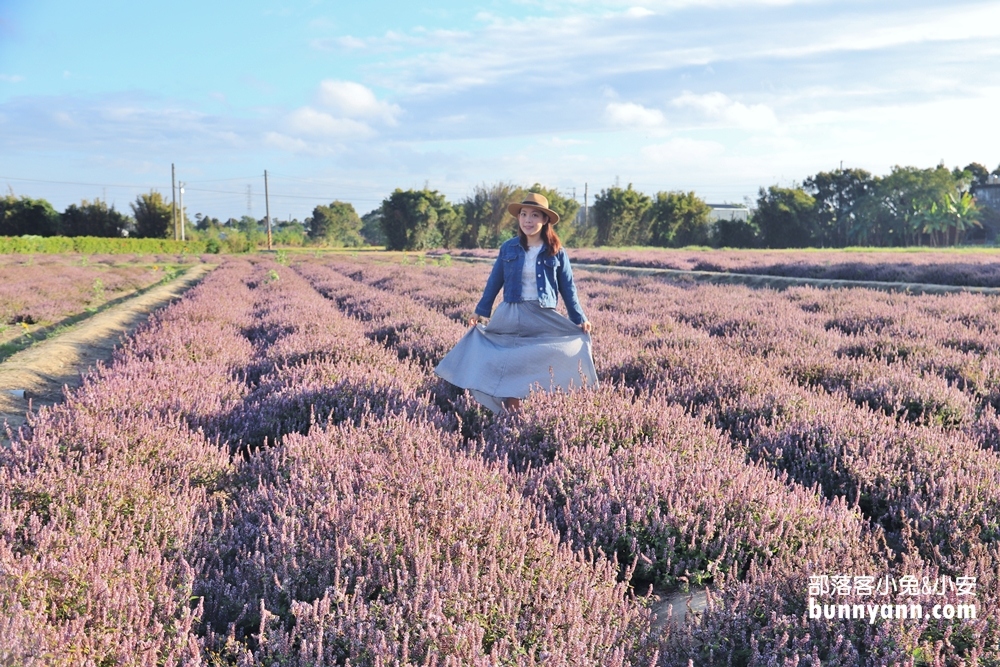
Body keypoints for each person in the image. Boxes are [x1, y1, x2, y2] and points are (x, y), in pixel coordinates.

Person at [434, 192, 597, 413]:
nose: (528, 220)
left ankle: (534, 411)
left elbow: (568, 288)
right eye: (523, 215)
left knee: (537, 362)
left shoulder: (556, 252)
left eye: (534, 215)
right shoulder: (508, 248)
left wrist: (579, 318)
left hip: (542, 315)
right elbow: (495, 281)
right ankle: (510, 413)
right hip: (511, 313)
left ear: (545, 220)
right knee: (508, 362)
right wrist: (480, 310)